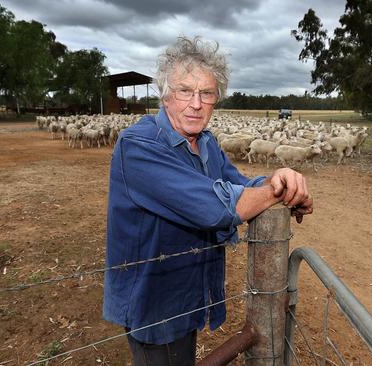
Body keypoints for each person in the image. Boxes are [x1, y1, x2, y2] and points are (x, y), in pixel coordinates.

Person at [103, 36, 313, 365]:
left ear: (217, 100)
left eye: (207, 93)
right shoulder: (138, 146)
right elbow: (215, 207)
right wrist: (275, 192)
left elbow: (239, 185)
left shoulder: (207, 143)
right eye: (185, 90)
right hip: (154, 304)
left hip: (187, 295)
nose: (196, 103)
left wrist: (277, 180)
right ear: (165, 95)